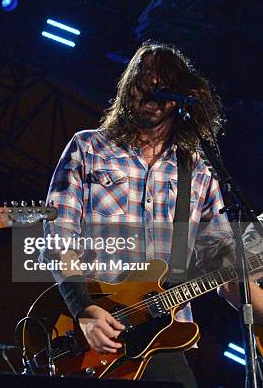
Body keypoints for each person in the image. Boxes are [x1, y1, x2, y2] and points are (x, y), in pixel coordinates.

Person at [43, 41, 261, 387]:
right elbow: (57, 239)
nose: (149, 84)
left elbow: (225, 268)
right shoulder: (89, 148)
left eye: (162, 80)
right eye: (142, 76)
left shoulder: (198, 171)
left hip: (162, 335)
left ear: (180, 96)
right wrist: (83, 309)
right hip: (93, 328)